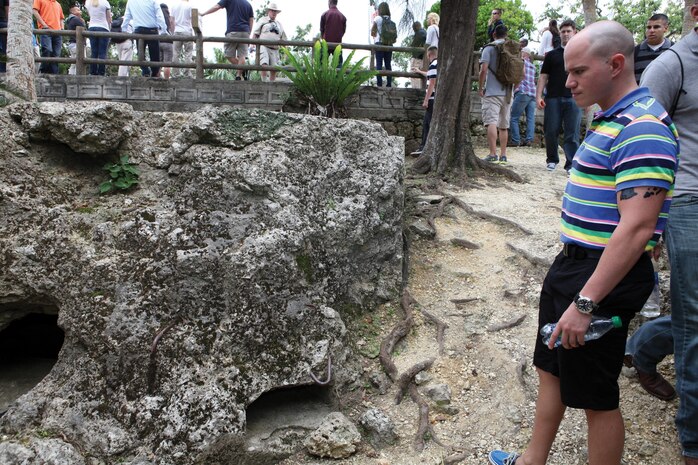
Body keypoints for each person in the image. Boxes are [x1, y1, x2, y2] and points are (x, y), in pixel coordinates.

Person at [488, 20, 679, 465]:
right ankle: (532, 460)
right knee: (550, 368)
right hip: (572, 265)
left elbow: (635, 228)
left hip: (599, 279)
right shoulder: (611, 118)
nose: (567, 82)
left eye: (577, 71)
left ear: (615, 65)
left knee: (597, 396)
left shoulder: (642, 127)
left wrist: (586, 303)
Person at [633, 4, 698, 463]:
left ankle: (641, 347)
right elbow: (642, 137)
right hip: (690, 200)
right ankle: (693, 442)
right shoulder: (671, 64)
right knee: (695, 325)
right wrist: (646, 224)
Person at [536, 19, 582, 172]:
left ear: (574, 32)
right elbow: (543, 76)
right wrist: (538, 96)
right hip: (553, 97)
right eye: (563, 31)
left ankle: (571, 164)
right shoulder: (552, 55)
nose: (566, 34)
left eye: (569, 31)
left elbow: (586, 77)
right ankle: (552, 160)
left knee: (572, 133)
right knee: (551, 130)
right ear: (559, 34)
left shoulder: (581, 54)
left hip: (574, 98)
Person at [479, 24, 512, 165]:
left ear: (494, 34)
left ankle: (493, 154)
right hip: (508, 92)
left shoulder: (489, 48)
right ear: (506, 35)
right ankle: (503, 155)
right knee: (504, 125)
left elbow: (484, 69)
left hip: (492, 92)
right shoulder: (513, 49)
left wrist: (480, 87)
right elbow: (521, 73)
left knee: (491, 122)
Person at [201, 0, 253, 81]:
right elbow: (251, 19)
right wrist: (249, 32)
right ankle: (239, 75)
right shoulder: (248, 4)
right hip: (245, 32)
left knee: (228, 54)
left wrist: (203, 13)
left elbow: (216, 7)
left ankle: (243, 69)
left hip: (233, 30)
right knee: (242, 55)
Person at [122, 0, 168, 77]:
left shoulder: (131, 1)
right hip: (152, 30)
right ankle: (154, 74)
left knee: (140, 55)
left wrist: (123, 29)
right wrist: (163, 30)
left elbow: (127, 16)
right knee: (155, 56)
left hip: (139, 31)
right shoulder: (152, 1)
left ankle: (145, 71)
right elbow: (159, 16)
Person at [410, 45, 437, 156]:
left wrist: (426, 100)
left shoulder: (433, 65)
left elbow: (432, 83)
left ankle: (424, 147)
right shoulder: (437, 65)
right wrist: (420, 72)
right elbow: (431, 76)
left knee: (427, 124)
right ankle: (424, 146)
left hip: (432, 98)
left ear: (429, 54)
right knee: (427, 122)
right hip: (435, 98)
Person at [508, 47, 536, 147]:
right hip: (532, 94)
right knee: (530, 118)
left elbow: (520, 76)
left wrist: (515, 88)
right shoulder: (533, 66)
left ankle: (516, 140)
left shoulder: (521, 63)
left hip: (523, 92)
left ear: (525, 54)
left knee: (514, 117)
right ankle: (529, 140)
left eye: (521, 52)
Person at [251, 2, 286, 82]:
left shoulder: (279, 24)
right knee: (264, 63)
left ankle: (271, 84)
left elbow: (283, 38)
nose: (274, 13)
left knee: (274, 68)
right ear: (268, 11)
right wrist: (252, 43)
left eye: (275, 11)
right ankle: (264, 82)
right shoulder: (262, 20)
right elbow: (256, 33)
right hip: (264, 46)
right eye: (272, 11)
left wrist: (285, 51)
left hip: (275, 48)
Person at [634, 13, 672, 84]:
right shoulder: (635, 52)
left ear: (665, 28)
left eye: (656, 27)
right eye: (649, 27)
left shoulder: (674, 50)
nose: (651, 30)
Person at [33, 0, 65, 74]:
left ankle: (54, 74)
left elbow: (61, 18)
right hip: (45, 31)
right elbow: (34, 11)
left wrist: (62, 28)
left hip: (57, 32)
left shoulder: (58, 4)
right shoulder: (40, 0)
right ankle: (43, 71)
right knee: (47, 50)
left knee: (56, 55)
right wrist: (44, 24)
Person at [86, 0, 112, 76]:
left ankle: (92, 72)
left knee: (94, 51)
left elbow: (90, 15)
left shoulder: (88, 2)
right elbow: (109, 18)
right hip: (103, 27)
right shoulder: (105, 2)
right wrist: (110, 30)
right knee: (102, 52)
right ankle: (101, 72)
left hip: (92, 27)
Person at [371, 2, 393, 88]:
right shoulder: (390, 20)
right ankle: (389, 84)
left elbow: (373, 32)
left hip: (379, 43)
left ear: (380, 10)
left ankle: (379, 84)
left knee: (379, 64)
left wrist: (375, 34)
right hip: (389, 44)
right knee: (388, 64)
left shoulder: (377, 18)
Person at [171, 0, 193, 78]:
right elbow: (193, 20)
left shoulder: (174, 5)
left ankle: (176, 74)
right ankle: (187, 74)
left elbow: (171, 21)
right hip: (187, 31)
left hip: (177, 31)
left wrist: (173, 32)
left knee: (176, 53)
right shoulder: (190, 6)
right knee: (188, 53)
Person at [320, 0, 346, 66]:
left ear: (329, 2)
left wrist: (323, 39)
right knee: (338, 67)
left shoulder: (324, 15)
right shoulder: (343, 16)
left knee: (322, 65)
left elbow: (322, 30)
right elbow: (343, 31)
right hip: (337, 44)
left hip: (326, 44)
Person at [65, 5, 86, 75]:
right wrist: (82, 21)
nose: (80, 11)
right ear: (73, 12)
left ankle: (71, 75)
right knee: (81, 61)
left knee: (74, 63)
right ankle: (78, 76)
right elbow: (83, 28)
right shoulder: (76, 19)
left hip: (72, 44)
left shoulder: (70, 20)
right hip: (77, 44)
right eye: (78, 10)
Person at [158, 3, 174, 79]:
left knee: (158, 63)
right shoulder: (169, 18)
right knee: (167, 64)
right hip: (168, 41)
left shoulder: (156, 17)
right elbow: (173, 29)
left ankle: (156, 78)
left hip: (158, 41)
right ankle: (166, 80)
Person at [409, 21, 426, 89]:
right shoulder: (424, 32)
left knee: (414, 74)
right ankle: (419, 88)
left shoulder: (419, 33)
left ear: (415, 27)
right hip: (422, 58)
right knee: (419, 75)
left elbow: (413, 45)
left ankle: (415, 89)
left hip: (417, 57)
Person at [0, 0, 8, 73]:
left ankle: (2, 71)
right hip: (3, 22)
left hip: (2, 21)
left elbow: (7, 7)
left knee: (4, 49)